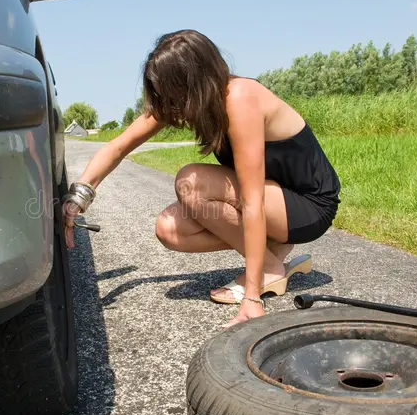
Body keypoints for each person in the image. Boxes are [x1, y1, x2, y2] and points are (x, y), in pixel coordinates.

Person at [63, 30, 341, 327]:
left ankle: (266, 272)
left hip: (308, 205)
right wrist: (77, 198)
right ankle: (271, 258)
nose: (165, 103)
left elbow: (252, 200)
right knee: (169, 228)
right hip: (275, 202)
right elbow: (118, 147)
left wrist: (250, 299)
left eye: (169, 92)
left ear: (192, 83)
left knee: (191, 182)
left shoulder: (240, 99)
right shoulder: (192, 101)